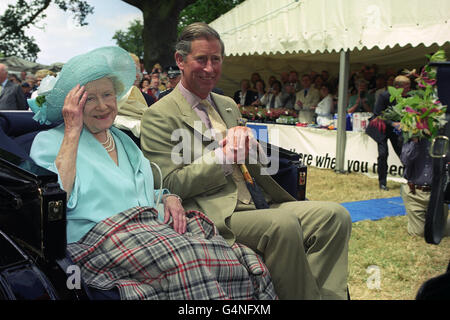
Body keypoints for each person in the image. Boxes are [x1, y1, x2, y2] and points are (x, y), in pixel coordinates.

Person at [28, 46, 276, 300]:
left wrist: (167, 196)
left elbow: (137, 191)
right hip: (95, 239)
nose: (102, 106)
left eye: (107, 95)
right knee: (184, 258)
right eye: (89, 98)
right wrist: (72, 130)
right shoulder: (52, 142)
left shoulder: (122, 141)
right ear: (72, 105)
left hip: (146, 229)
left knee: (242, 255)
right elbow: (57, 199)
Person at [140, 22, 352, 300]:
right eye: (201, 59)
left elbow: (259, 164)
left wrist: (252, 146)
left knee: (335, 216)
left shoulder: (227, 104)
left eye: (216, 60)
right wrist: (223, 157)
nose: (210, 68)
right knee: (283, 225)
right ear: (180, 60)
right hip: (216, 213)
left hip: (260, 198)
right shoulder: (159, 115)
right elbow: (169, 183)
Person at [366, 75, 409, 190]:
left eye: (409, 87)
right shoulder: (384, 96)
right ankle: (382, 182)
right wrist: (393, 123)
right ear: (396, 87)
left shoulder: (407, 97)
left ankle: (410, 180)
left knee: (403, 153)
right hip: (382, 128)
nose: (408, 89)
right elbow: (378, 114)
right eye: (406, 87)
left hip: (396, 129)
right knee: (383, 154)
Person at [400, 138, 450, 237]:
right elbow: (405, 160)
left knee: (440, 232)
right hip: (414, 194)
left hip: (437, 195)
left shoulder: (443, 138)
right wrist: (414, 142)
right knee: (419, 233)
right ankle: (418, 221)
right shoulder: (411, 138)